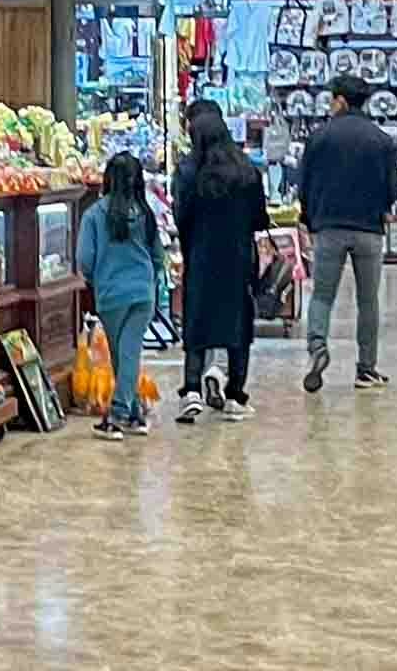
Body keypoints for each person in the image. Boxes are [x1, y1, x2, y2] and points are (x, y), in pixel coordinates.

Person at [293, 73, 397, 395]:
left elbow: (305, 185)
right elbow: (392, 189)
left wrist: (310, 217)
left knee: (323, 295)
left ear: (340, 100)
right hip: (369, 229)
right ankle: (366, 369)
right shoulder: (381, 140)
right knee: (368, 301)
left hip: (329, 228)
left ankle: (317, 348)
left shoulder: (319, 138)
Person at [169, 98, 268, 422]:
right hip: (238, 257)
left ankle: (192, 389)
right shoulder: (247, 171)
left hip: (199, 256)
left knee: (197, 323)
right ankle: (235, 396)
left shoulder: (187, 171)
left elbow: (181, 216)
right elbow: (259, 219)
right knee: (238, 327)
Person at [74, 152, 166, 440]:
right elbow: (158, 255)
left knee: (123, 354)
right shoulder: (145, 213)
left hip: (111, 295)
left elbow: (84, 258)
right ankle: (135, 412)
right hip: (142, 292)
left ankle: (117, 414)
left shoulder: (94, 215)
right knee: (126, 355)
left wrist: (95, 277)